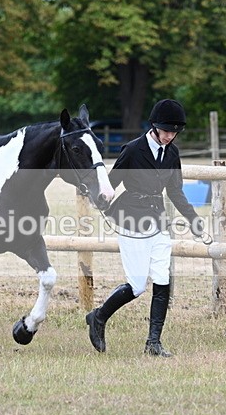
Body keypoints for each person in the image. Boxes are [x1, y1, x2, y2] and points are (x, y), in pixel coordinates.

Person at [86, 98, 204, 357]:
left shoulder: (172, 153)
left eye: (174, 132)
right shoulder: (132, 149)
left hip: (158, 220)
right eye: (166, 131)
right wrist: (100, 198)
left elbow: (175, 190)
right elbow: (112, 182)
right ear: (154, 126)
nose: (169, 137)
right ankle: (98, 317)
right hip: (131, 219)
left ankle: (154, 343)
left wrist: (193, 218)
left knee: (162, 278)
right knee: (137, 286)